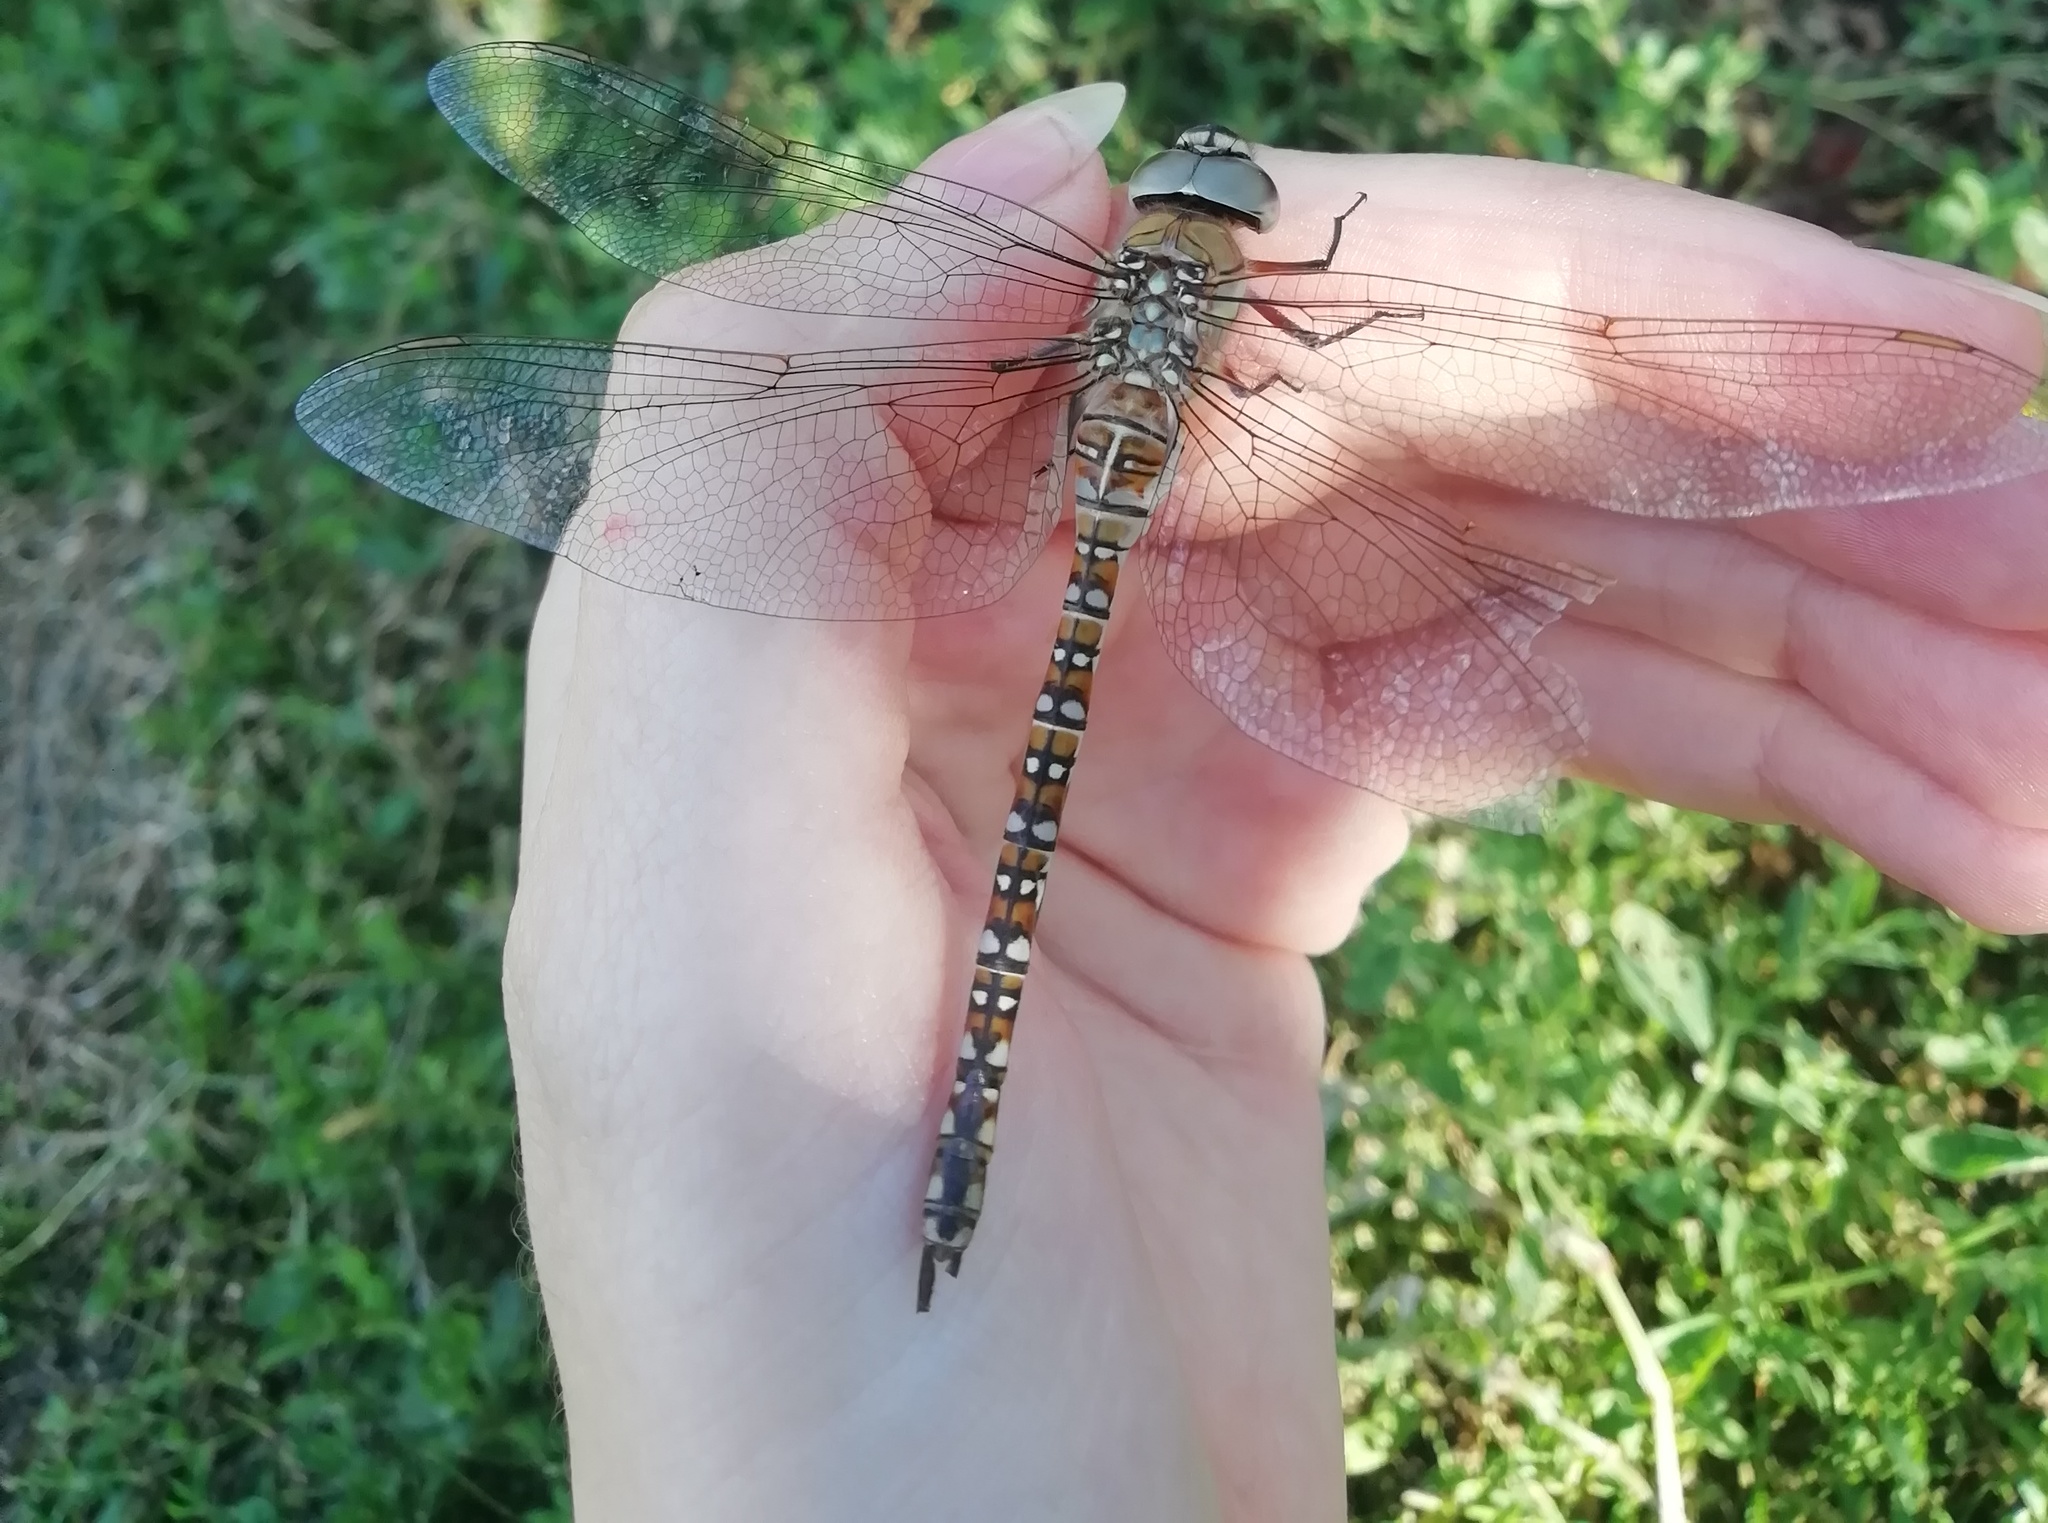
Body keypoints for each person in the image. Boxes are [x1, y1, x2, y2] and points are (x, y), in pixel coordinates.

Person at [500, 85, 2048, 1522]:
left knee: (1039, 779)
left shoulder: (1075, 292)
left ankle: (949, 1197)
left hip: (1086, 498)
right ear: (1234, 237)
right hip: (1150, 519)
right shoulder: (1264, 312)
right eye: (1215, 191)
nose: (1211, 194)